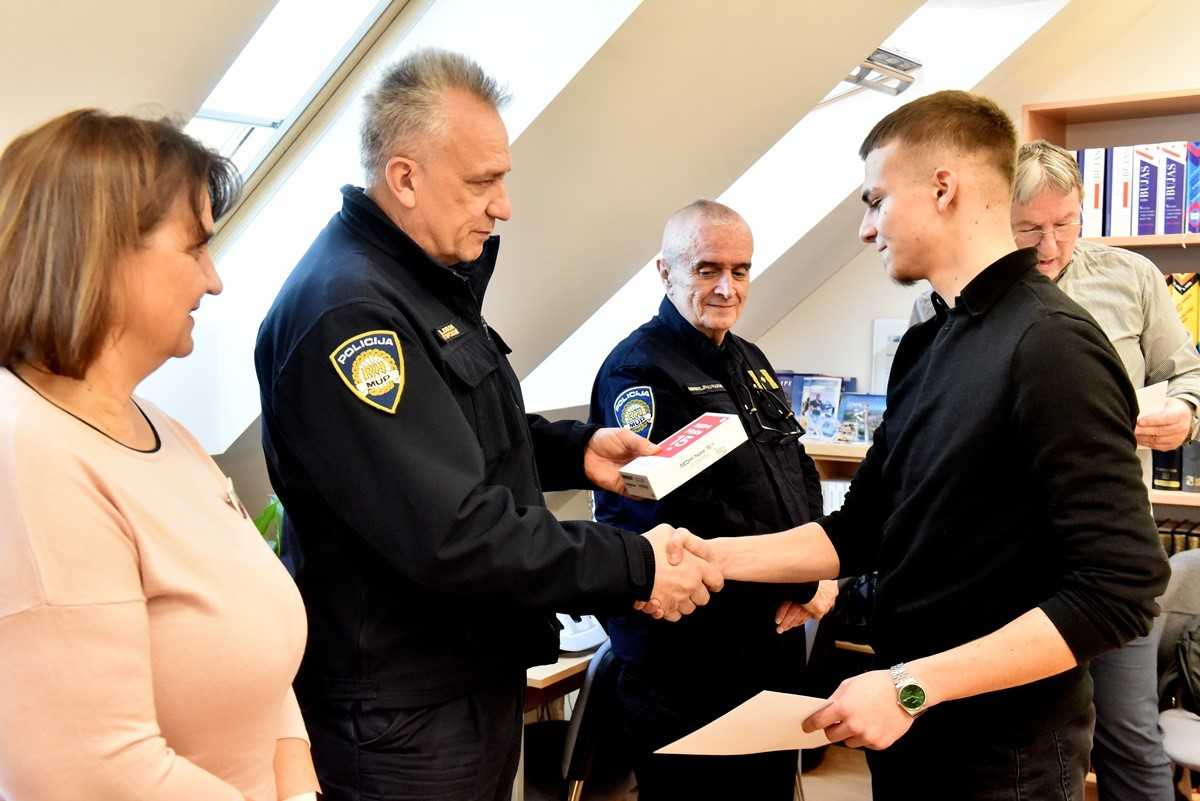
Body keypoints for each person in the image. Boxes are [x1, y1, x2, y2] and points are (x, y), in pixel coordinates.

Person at [674, 90, 1171, 800]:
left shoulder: (1051, 345)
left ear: (943, 188)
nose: (865, 229)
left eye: (876, 201)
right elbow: (862, 530)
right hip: (909, 725)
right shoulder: (927, 343)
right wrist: (709, 556)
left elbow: (1119, 589)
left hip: (1002, 754)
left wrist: (912, 686)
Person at [254, 49, 721, 801]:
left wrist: (574, 450)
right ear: (405, 178)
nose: (503, 206)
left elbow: (453, 433)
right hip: (402, 709)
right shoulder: (352, 313)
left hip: (463, 676)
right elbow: (450, 528)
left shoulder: (418, 280)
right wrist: (634, 565)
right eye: (482, 182)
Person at [0, 110, 319, 801]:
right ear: (103, 252)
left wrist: (296, 788)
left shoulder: (164, 431)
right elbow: (93, 771)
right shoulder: (29, 454)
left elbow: (265, 664)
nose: (214, 280)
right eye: (195, 249)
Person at [912, 139, 1199, 801]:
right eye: (1029, 228)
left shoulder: (1132, 278)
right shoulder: (950, 295)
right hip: (1005, 564)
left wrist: (1185, 412)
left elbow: (1189, 372)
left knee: (1130, 735)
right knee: (1022, 744)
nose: (1049, 245)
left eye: (1064, 223)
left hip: (1108, 552)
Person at [588, 200, 836, 801]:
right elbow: (678, 512)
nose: (728, 287)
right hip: (689, 656)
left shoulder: (749, 359)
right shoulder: (639, 372)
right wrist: (802, 577)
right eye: (707, 269)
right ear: (666, 272)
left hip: (763, 638)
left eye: (740, 270)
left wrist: (822, 561)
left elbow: (797, 468)